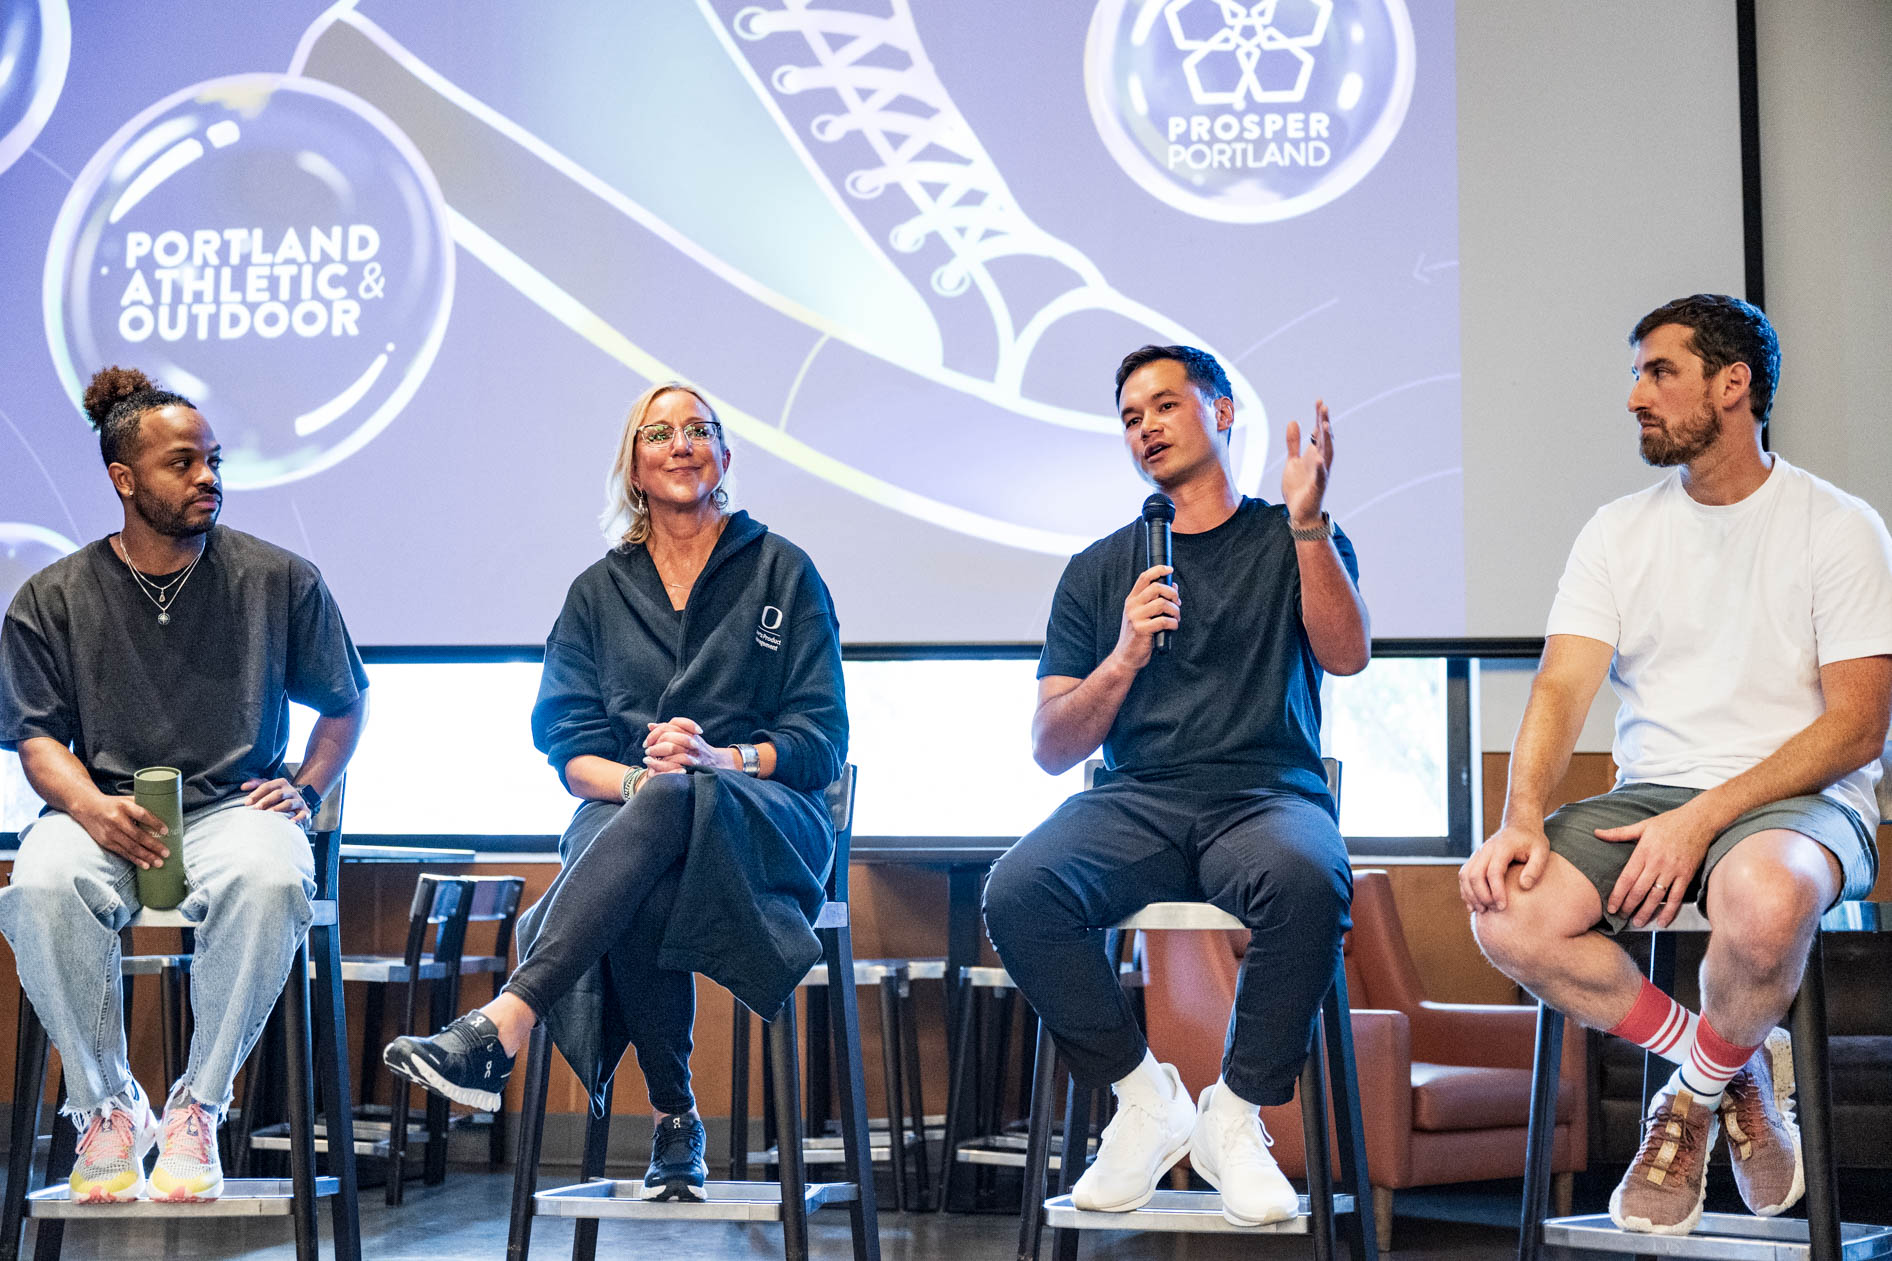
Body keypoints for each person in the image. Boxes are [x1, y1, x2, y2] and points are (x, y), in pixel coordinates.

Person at [1461, 295, 1892, 1236]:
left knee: (1764, 898)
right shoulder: (1617, 531)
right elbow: (1560, 689)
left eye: (1659, 372)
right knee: (1510, 910)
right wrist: (1521, 816)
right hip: (1653, 791)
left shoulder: (1839, 525)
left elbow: (1858, 727)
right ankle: (1733, 1061)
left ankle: (1687, 1104)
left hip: (1803, 796)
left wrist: (1703, 820)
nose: (1633, 397)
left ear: (1733, 384)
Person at [383, 381, 847, 1201]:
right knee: (639, 836)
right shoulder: (597, 591)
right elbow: (570, 751)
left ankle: (509, 1021)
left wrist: (717, 757)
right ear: (634, 466)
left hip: (768, 821)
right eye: (658, 433)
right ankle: (676, 1121)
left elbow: (820, 744)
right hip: (628, 815)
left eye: (698, 430)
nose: (680, 443)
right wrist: (644, 779)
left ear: (725, 456)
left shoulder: (784, 569)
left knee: (660, 807)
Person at [982, 345, 1370, 1227]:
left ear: (1223, 413)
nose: (1146, 427)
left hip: (1266, 795)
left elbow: (1347, 655)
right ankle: (1143, 1099)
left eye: (1164, 405)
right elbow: (1050, 743)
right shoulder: (1097, 569)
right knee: (1019, 889)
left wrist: (1311, 527)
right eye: (1130, 416)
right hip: (1136, 801)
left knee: (1309, 877)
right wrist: (1122, 654)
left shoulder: (1293, 536)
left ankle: (1235, 1115)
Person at [0, 367, 369, 1204]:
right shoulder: (50, 596)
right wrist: (90, 807)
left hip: (232, 807)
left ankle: (200, 1103)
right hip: (99, 807)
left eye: (214, 459)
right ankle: (105, 1105)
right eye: (183, 463)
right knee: (39, 886)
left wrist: (306, 789)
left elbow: (345, 703)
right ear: (123, 480)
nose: (208, 477)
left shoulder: (280, 578)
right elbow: (35, 740)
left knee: (275, 876)